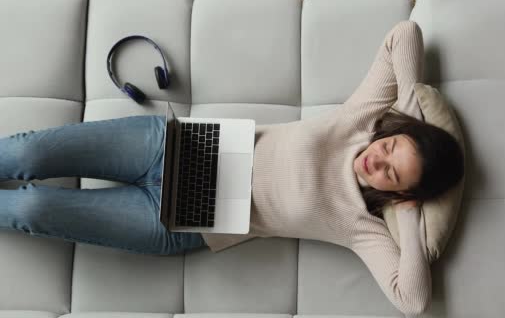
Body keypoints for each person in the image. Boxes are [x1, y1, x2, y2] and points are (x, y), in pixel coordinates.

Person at [0, 20, 463, 315]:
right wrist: (406, 108)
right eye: (393, 147)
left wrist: (407, 210)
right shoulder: (362, 121)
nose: (377, 159)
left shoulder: (362, 226)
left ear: (402, 195)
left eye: (391, 174)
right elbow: (405, 35)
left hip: (179, 223)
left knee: (36, 207)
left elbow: (413, 300)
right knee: (25, 157)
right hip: (169, 148)